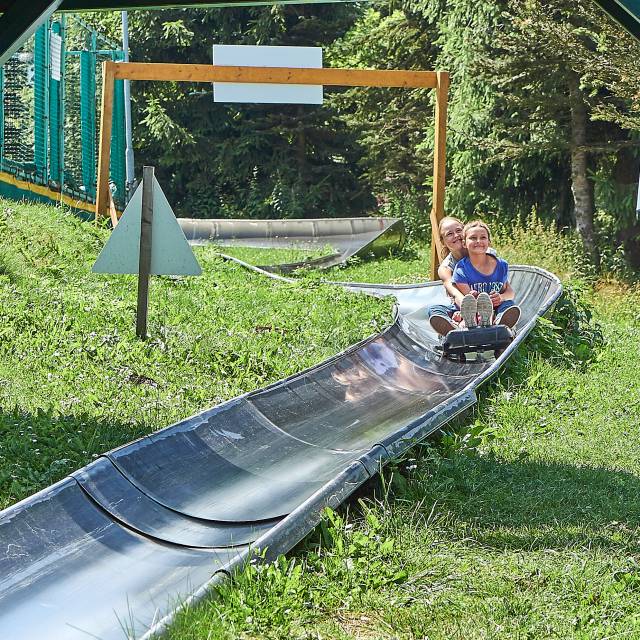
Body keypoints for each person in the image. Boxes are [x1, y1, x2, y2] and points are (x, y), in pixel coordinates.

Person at [427, 216, 497, 336]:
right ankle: (455, 328)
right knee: (434, 310)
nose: (456, 235)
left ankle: (499, 320)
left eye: (459, 230)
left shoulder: (486, 252)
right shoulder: (445, 268)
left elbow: (497, 283)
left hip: (488, 302)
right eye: (449, 234)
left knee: (507, 303)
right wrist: (467, 310)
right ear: (443, 241)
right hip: (463, 304)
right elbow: (455, 293)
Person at [451, 220, 520, 330]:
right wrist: (472, 298)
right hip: (472, 310)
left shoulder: (501, 265)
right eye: (473, 238)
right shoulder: (461, 269)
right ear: (464, 243)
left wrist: (500, 297)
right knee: (437, 309)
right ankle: (466, 323)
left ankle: (499, 322)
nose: (478, 241)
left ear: (489, 242)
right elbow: (466, 300)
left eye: (483, 237)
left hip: (496, 309)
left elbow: (509, 292)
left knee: (509, 304)